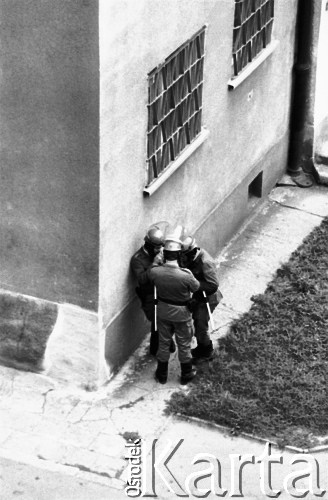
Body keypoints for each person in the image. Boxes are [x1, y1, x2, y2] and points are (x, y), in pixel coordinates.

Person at [149, 230, 200, 384]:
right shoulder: (186, 275)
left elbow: (146, 277)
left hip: (164, 312)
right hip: (182, 315)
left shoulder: (155, 272)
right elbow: (196, 288)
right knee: (184, 343)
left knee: (164, 343)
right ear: (179, 255)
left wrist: (155, 263)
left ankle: (162, 374)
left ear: (164, 254)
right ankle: (186, 373)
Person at [131, 223, 176, 356]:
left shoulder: (160, 252)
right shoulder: (137, 260)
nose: (159, 250)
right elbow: (142, 280)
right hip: (150, 295)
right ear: (148, 245)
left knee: (170, 318)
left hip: (163, 290)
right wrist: (154, 264)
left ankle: (167, 341)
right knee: (157, 323)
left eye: (161, 247)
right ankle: (156, 349)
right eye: (157, 247)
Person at [181, 236, 222, 362]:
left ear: (192, 252)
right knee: (196, 321)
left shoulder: (205, 262)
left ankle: (206, 351)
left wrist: (192, 283)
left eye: (184, 255)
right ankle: (201, 347)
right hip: (199, 296)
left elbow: (213, 285)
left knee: (200, 325)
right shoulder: (192, 257)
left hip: (208, 299)